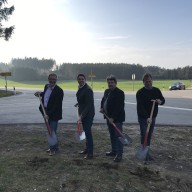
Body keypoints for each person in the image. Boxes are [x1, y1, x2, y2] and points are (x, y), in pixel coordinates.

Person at [136, 73, 165, 161]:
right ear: (143, 82)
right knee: (144, 134)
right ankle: (144, 153)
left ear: (152, 81)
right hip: (143, 117)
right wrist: (146, 117)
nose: (148, 83)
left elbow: (163, 100)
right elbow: (140, 107)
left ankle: (146, 154)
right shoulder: (140, 92)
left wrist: (160, 101)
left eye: (149, 81)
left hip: (153, 116)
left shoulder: (156, 90)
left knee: (149, 135)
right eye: (146, 81)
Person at [34, 73, 64, 156]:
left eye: (54, 79)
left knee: (52, 132)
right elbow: (46, 94)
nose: (52, 81)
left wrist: (48, 114)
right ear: (48, 79)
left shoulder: (59, 91)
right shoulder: (46, 86)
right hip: (45, 111)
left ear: (56, 80)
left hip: (53, 114)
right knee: (49, 131)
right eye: (51, 79)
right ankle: (53, 147)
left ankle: (53, 150)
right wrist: (40, 94)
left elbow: (56, 105)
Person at [100, 75, 125, 162]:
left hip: (116, 119)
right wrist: (102, 108)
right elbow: (103, 100)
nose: (110, 84)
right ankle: (114, 151)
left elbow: (119, 107)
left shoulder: (120, 93)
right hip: (108, 118)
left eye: (112, 82)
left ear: (115, 83)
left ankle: (119, 155)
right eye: (109, 82)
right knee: (112, 136)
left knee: (118, 137)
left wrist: (113, 117)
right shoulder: (107, 91)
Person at [75, 74, 95, 160]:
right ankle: (87, 149)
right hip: (83, 113)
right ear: (77, 80)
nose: (81, 80)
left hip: (88, 114)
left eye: (82, 79)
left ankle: (90, 153)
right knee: (86, 132)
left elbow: (89, 104)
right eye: (79, 79)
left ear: (85, 79)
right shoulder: (80, 88)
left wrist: (82, 116)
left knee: (88, 132)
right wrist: (78, 104)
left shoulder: (88, 90)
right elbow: (83, 100)